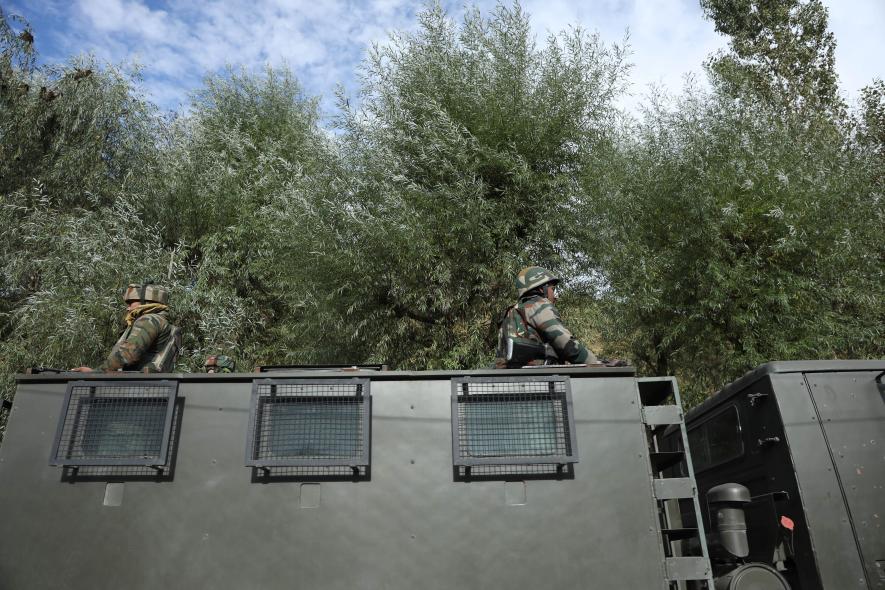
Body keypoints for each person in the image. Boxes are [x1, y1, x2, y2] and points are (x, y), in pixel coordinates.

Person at [494, 266, 600, 368]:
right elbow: (566, 343)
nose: (555, 296)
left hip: (512, 377)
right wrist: (596, 364)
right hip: (541, 378)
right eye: (552, 289)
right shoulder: (539, 305)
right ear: (541, 289)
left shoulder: (512, 311)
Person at [72, 282, 181, 373]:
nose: (128, 308)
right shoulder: (161, 321)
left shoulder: (149, 320)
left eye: (131, 303)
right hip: (148, 387)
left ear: (147, 302)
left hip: (136, 388)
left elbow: (128, 355)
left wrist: (96, 374)